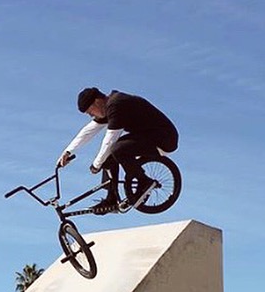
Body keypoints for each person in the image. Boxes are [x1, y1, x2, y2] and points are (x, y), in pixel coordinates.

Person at [57, 87, 179, 215]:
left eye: (90, 112)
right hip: (146, 135)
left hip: (164, 138)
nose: (91, 115)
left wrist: (96, 165)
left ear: (97, 102)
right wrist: (68, 151)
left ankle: (144, 181)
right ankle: (112, 198)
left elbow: (109, 140)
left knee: (116, 149)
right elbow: (87, 132)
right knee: (109, 154)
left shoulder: (117, 104)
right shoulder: (109, 107)